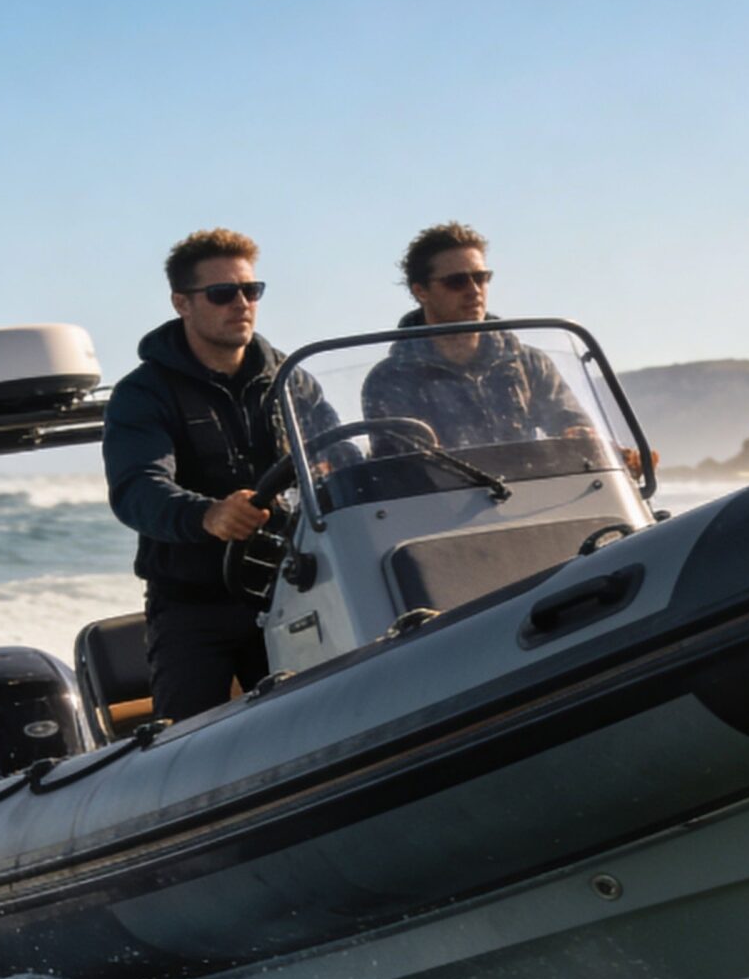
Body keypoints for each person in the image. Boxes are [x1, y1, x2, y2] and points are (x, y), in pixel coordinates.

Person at [102, 228, 336, 721]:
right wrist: (207, 515)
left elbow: (342, 457)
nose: (242, 303)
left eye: (252, 291)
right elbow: (137, 489)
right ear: (181, 303)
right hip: (195, 604)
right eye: (223, 293)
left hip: (294, 585)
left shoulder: (292, 381)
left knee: (339, 710)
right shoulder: (143, 393)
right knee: (185, 744)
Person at [360, 222, 601, 451]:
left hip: (535, 491)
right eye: (456, 282)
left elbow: (572, 424)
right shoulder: (390, 381)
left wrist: (580, 435)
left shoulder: (529, 364)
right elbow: (399, 470)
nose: (473, 290)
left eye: (481, 278)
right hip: (441, 495)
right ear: (421, 291)